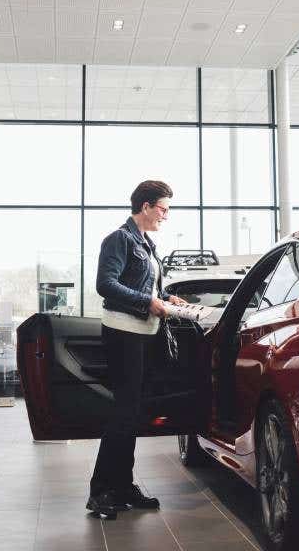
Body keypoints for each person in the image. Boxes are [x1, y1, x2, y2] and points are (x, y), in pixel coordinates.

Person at [86, 180, 192, 519]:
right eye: (162, 209)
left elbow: (145, 285)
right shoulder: (119, 239)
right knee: (123, 414)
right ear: (145, 206)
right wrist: (148, 301)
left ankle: (122, 486)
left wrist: (165, 298)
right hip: (123, 333)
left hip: (144, 334)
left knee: (132, 415)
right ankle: (101, 491)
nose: (165, 216)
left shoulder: (146, 244)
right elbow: (106, 284)